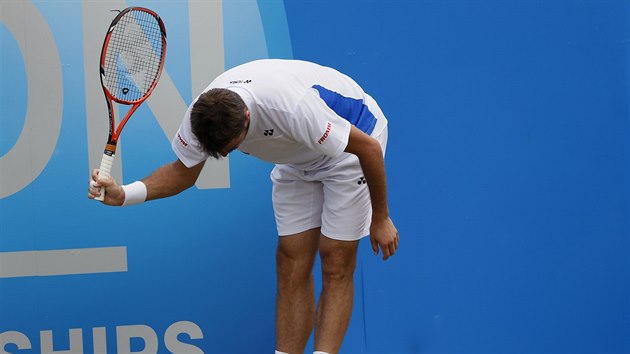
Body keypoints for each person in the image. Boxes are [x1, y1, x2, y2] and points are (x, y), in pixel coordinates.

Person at [88, 59, 399, 354]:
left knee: (335, 258)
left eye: (232, 148)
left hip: (352, 148)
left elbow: (368, 149)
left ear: (247, 118)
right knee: (290, 259)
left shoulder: (289, 106)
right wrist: (124, 194)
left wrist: (380, 217)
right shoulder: (201, 116)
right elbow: (183, 173)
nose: (228, 154)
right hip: (295, 158)